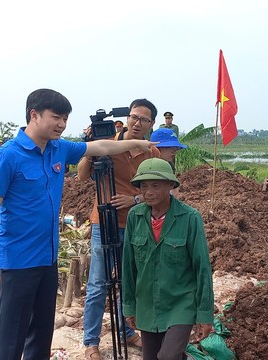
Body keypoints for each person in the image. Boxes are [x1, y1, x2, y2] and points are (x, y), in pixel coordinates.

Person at [0, 88, 154, 360]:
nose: (61, 124)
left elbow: (100, 147)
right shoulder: (7, 156)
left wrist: (136, 144)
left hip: (47, 259)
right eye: (56, 117)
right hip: (16, 262)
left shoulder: (58, 149)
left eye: (65, 119)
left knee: (41, 335)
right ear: (34, 115)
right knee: (10, 340)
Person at [79, 99, 161, 359]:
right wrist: (89, 150)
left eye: (144, 120)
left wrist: (134, 199)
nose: (137, 123)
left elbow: (159, 189)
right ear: (127, 118)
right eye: (134, 117)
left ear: (151, 124)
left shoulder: (151, 153)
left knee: (128, 282)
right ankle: (90, 341)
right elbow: (82, 176)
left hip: (137, 223)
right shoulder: (106, 144)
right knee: (97, 283)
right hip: (103, 221)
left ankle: (125, 330)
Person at [123, 158, 214, 360]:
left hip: (181, 302)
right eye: (144, 186)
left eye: (156, 185)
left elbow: (202, 268)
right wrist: (129, 306)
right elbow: (128, 266)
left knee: (167, 357)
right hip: (147, 303)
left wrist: (205, 315)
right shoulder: (134, 217)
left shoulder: (190, 218)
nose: (148, 192)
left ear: (171, 185)